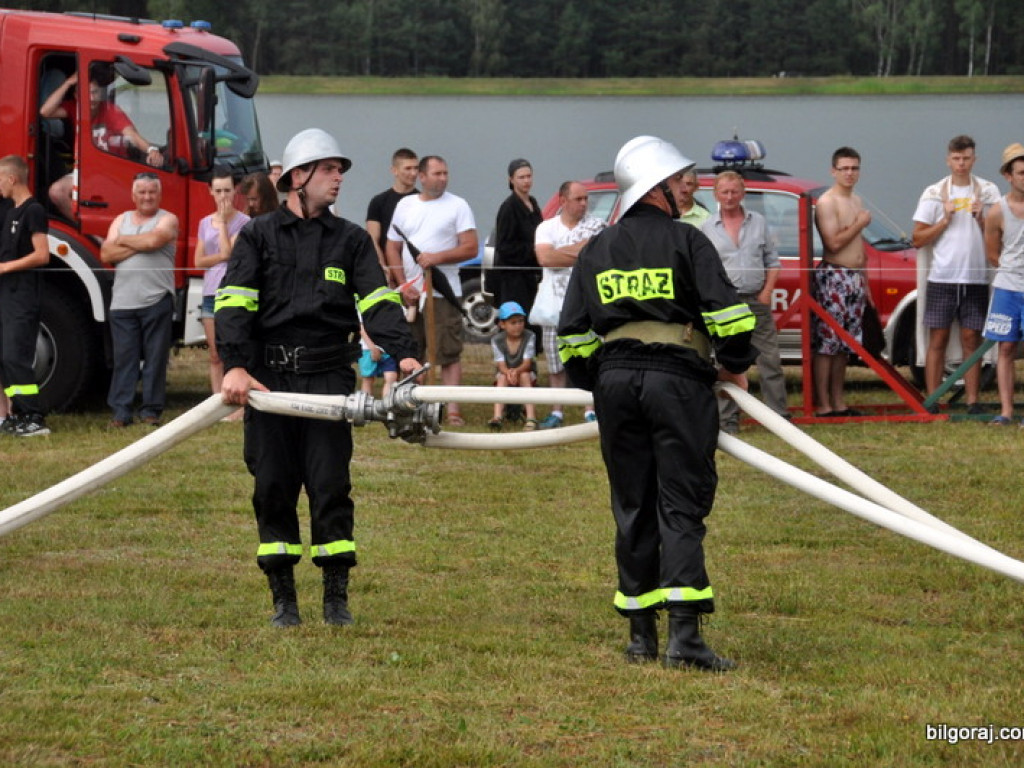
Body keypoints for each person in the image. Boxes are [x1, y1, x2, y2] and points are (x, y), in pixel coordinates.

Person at [558, 135, 756, 671]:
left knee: (633, 503)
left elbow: (571, 336)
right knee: (680, 502)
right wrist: (733, 361)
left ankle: (641, 636)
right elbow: (730, 317)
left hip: (616, 384)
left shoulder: (596, 248)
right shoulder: (686, 241)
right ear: (658, 189)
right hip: (677, 382)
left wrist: (597, 379)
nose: (688, 190)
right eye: (680, 182)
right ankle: (685, 638)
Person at [217, 128, 420, 628]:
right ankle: (284, 599)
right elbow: (233, 301)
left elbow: (376, 301)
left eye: (340, 171)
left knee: (330, 485)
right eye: (329, 170)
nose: (338, 180)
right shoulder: (258, 236)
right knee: (273, 486)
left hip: (329, 380)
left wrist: (408, 355)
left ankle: (336, 598)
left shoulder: (350, 240)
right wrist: (237, 365)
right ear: (298, 177)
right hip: (269, 384)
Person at [386, 155, 478, 427]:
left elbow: (470, 247)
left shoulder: (458, 205)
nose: (443, 178)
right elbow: (393, 245)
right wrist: (403, 285)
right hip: (411, 295)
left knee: (448, 353)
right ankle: (412, 405)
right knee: (412, 352)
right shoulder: (405, 205)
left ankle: (452, 410)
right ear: (422, 177)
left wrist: (435, 258)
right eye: (437, 173)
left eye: (445, 173)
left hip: (442, 293)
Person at [912, 135, 999, 414]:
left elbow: (1004, 234)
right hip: (942, 277)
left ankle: (973, 401)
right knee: (937, 337)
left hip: (976, 277)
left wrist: (981, 217)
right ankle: (933, 398)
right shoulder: (934, 193)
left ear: (975, 160)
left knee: (971, 338)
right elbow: (917, 238)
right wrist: (945, 219)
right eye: (957, 159)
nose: (961, 164)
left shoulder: (988, 191)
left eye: (966, 158)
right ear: (948, 160)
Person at [701, 171, 788, 433]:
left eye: (734, 192)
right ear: (716, 194)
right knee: (728, 362)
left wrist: (767, 291)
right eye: (724, 192)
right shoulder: (707, 227)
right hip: (726, 305)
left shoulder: (758, 222)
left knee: (769, 359)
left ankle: (778, 419)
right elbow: (704, 268)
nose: (729, 197)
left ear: (743, 193)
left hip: (755, 299)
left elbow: (772, 261)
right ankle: (728, 421)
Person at [100, 172, 178, 428]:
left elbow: (156, 239)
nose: (147, 197)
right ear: (133, 195)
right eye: (142, 192)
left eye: (151, 192)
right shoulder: (120, 219)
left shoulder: (168, 219)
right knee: (125, 360)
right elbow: (106, 253)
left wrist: (122, 240)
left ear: (159, 194)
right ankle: (121, 413)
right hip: (122, 303)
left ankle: (150, 411)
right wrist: (139, 243)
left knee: (156, 360)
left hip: (156, 300)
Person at [41, 65, 165, 220]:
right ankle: (87, 233)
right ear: (76, 96)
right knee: (56, 192)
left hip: (113, 170)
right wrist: (68, 83)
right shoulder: (74, 108)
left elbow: (132, 135)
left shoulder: (110, 110)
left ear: (101, 93)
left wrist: (152, 150)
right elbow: (45, 112)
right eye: (86, 94)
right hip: (87, 170)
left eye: (95, 92)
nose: (92, 98)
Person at [533, 180, 604, 428]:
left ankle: (591, 409)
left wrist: (562, 254)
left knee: (592, 357)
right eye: (578, 199)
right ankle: (557, 412)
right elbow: (545, 258)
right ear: (563, 201)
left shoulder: (597, 226)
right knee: (555, 362)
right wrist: (581, 250)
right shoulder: (546, 228)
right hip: (553, 306)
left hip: (587, 305)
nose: (584, 204)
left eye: (586, 199)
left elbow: (597, 256)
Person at [811, 147, 872, 417]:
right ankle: (823, 404)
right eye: (844, 168)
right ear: (833, 171)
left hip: (855, 277)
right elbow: (833, 243)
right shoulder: (827, 202)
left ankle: (839, 402)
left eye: (854, 168)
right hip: (834, 275)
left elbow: (859, 247)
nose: (850, 173)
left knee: (845, 343)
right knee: (827, 343)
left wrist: (866, 284)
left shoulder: (856, 200)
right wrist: (860, 224)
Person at [0, 155, 51, 437]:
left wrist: (7, 266)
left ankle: (34, 416)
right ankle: (17, 414)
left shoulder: (33, 211)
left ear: (12, 178)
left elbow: (41, 254)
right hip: (7, 294)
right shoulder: (11, 211)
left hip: (23, 295)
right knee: (4, 357)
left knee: (16, 356)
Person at [194, 170, 250, 406]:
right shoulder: (204, 222)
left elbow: (231, 253)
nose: (223, 196)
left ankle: (237, 401)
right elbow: (198, 261)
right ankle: (217, 402)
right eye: (218, 191)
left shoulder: (245, 222)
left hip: (232, 292)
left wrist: (225, 225)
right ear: (210, 192)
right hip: (209, 293)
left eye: (227, 190)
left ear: (235, 190)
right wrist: (220, 256)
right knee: (215, 353)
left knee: (234, 352)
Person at [982, 143, 1024, 426]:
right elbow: (992, 252)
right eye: (1021, 172)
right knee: (1005, 348)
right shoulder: (997, 211)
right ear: (1008, 176)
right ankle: (1006, 411)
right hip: (1008, 285)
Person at [493, 159, 543, 324]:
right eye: (521, 177)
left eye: (529, 176)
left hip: (532, 274)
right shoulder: (508, 207)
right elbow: (504, 246)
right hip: (513, 278)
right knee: (519, 320)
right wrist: (533, 250)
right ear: (511, 180)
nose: (526, 181)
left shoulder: (533, 203)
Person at [366, 148, 419, 276]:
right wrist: (383, 268)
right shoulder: (379, 202)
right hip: (388, 272)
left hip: (417, 271)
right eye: (408, 168)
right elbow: (373, 239)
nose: (413, 173)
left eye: (416, 168)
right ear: (394, 170)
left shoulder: (422, 201)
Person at [488, 301, 538, 431]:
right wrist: (509, 372)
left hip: (525, 372)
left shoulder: (530, 336)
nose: (518, 326)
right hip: (506, 372)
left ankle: (531, 418)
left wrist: (515, 371)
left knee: (525, 376)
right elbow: (500, 364)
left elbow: (527, 363)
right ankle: (497, 416)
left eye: (521, 321)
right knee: (502, 378)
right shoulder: (496, 340)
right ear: (502, 324)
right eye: (513, 322)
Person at [357, 321, 399, 398]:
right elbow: (361, 328)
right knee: (368, 379)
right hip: (367, 348)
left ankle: (388, 406)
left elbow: (408, 319)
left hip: (388, 347)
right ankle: (365, 407)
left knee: (391, 377)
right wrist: (372, 348)